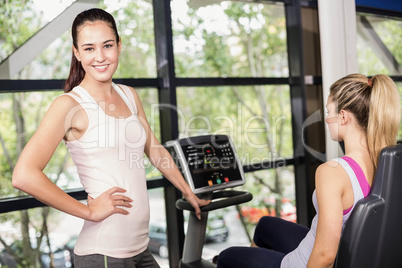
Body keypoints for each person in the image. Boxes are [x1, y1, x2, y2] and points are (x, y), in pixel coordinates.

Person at [12, 8, 209, 268]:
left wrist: (188, 191)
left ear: (119, 46)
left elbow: (155, 150)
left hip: (140, 248)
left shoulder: (128, 94)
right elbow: (24, 175)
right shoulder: (69, 105)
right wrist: (88, 211)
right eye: (89, 48)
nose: (101, 57)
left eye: (107, 45)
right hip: (103, 254)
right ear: (77, 53)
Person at [216, 73, 401, 268]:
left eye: (329, 112)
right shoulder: (389, 163)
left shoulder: (332, 172)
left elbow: (325, 256)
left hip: (303, 263)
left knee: (227, 256)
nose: (327, 118)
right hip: (344, 251)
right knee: (264, 226)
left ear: (344, 116)